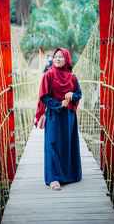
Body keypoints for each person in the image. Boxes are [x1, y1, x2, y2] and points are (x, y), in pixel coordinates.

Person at [35, 47, 82, 191]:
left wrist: (72, 95)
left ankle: (69, 175)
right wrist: (59, 103)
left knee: (67, 144)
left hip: (69, 117)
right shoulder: (48, 76)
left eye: (61, 56)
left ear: (66, 59)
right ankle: (53, 178)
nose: (58, 59)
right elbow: (44, 97)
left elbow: (78, 94)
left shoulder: (72, 77)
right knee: (53, 145)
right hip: (54, 116)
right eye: (55, 57)